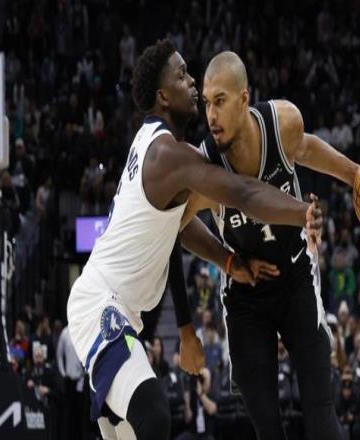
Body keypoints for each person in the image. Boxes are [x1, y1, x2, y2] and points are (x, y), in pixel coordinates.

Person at [67, 40, 322, 440]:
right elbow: (244, 193)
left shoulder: (154, 144)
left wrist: (227, 263)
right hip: (100, 303)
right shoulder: (168, 156)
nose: (192, 82)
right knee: (155, 415)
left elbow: (180, 230)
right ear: (163, 96)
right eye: (183, 75)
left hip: (123, 310)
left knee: (144, 425)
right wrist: (301, 212)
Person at [179, 51, 360, 440]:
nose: (211, 115)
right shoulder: (205, 166)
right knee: (267, 429)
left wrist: (357, 175)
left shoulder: (283, 123)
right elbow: (180, 225)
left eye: (220, 101)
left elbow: (306, 148)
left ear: (244, 99)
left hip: (296, 278)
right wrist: (228, 262)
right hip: (247, 297)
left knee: (321, 417)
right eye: (206, 103)